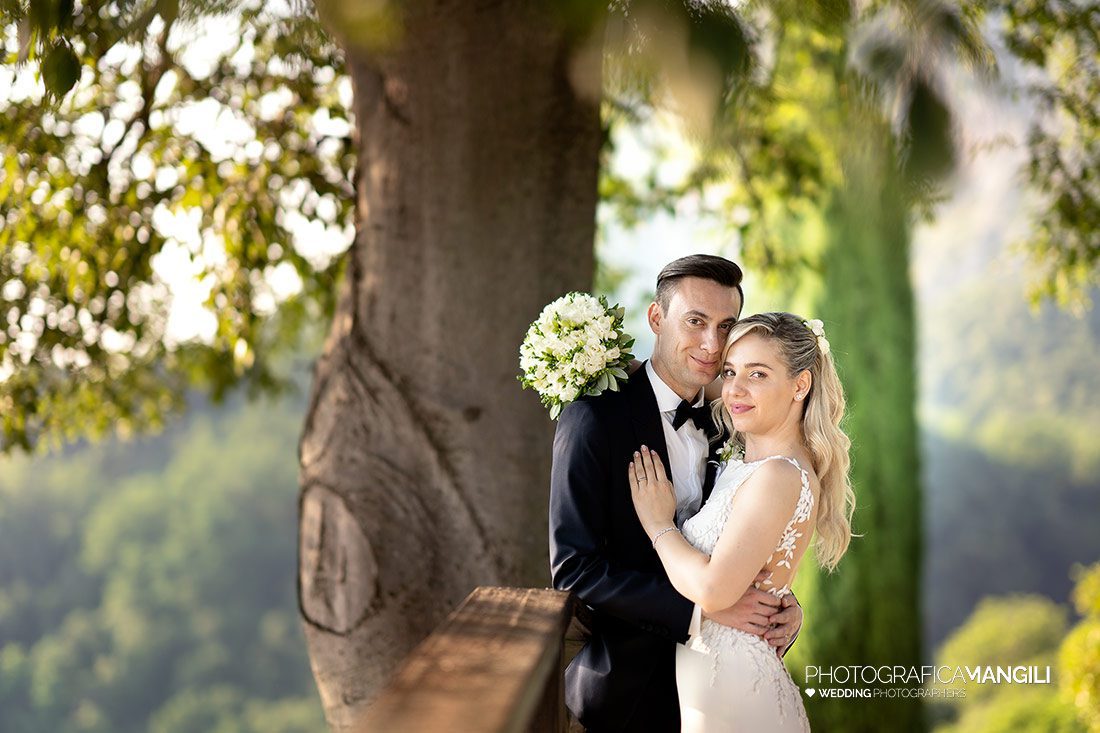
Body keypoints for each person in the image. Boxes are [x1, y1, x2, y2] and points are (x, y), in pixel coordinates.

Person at [549, 256, 803, 732]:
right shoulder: (594, 420)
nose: (712, 344)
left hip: (716, 691)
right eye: (695, 321)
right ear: (656, 318)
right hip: (622, 691)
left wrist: (781, 605)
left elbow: (747, 535)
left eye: (726, 326)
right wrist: (700, 610)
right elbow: (573, 567)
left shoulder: (731, 424)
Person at [629, 311, 855, 732]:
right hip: (713, 687)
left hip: (734, 697)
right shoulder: (747, 462)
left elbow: (715, 589)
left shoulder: (777, 475)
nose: (735, 389)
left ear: (800, 385)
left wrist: (659, 525)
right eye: (731, 371)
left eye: (758, 374)